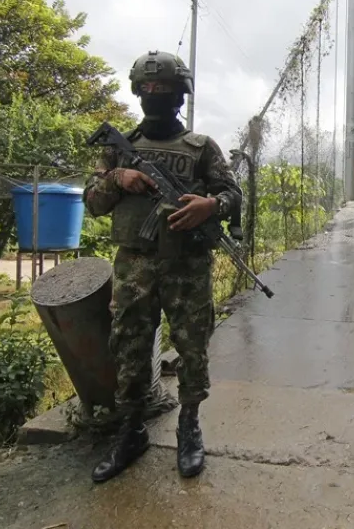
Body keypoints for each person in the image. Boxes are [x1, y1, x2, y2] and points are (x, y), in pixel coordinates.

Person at [82, 50, 243, 483]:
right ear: (138, 92)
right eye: (148, 87)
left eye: (164, 88)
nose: (155, 93)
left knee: (192, 346)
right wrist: (117, 178)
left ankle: (189, 427)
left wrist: (210, 205)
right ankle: (131, 430)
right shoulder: (119, 149)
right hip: (133, 267)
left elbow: (233, 195)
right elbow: (93, 203)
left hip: (187, 266)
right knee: (129, 346)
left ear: (179, 95)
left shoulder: (201, 148)